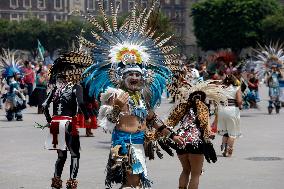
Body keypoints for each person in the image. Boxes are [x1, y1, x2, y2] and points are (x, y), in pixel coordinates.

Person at [80, 3, 183, 188]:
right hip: (123, 143)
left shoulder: (141, 98)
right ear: (122, 77)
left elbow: (152, 119)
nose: (134, 78)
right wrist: (117, 107)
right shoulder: (115, 94)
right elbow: (107, 125)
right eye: (130, 75)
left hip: (140, 143)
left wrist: (172, 136)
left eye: (137, 74)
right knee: (132, 182)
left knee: (134, 183)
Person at [165, 80, 228, 189]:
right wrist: (209, 135)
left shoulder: (183, 108)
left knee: (185, 170)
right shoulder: (203, 108)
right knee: (195, 173)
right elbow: (206, 127)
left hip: (180, 140)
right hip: (196, 142)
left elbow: (170, 122)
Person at [42, 52, 92, 189]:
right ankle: (71, 182)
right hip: (69, 122)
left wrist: (49, 120)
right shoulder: (76, 87)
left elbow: (44, 106)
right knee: (75, 154)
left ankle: (56, 181)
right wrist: (87, 117)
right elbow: (81, 103)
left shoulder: (55, 89)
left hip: (56, 123)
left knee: (61, 155)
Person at [217, 75, 242, 157]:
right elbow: (239, 101)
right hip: (232, 110)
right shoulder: (236, 88)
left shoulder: (221, 87)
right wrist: (240, 106)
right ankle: (229, 151)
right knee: (232, 133)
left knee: (225, 132)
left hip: (221, 110)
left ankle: (224, 149)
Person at [0, 49, 26, 121]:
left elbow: (21, 87)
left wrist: (22, 89)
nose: (18, 75)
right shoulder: (7, 80)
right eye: (17, 74)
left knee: (18, 105)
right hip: (10, 95)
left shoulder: (18, 80)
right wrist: (3, 92)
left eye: (18, 74)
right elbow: (3, 86)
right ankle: (10, 114)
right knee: (9, 108)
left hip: (17, 95)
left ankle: (18, 114)